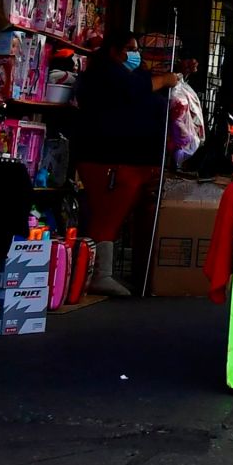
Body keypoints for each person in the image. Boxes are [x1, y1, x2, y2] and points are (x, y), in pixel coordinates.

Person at [71, 32, 177, 296]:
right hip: (108, 159)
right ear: (114, 51)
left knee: (113, 216)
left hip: (128, 159)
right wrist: (164, 80)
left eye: (137, 49)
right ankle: (99, 274)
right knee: (107, 216)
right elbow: (133, 91)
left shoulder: (129, 75)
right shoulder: (105, 76)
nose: (135, 54)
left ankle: (102, 273)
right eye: (130, 49)